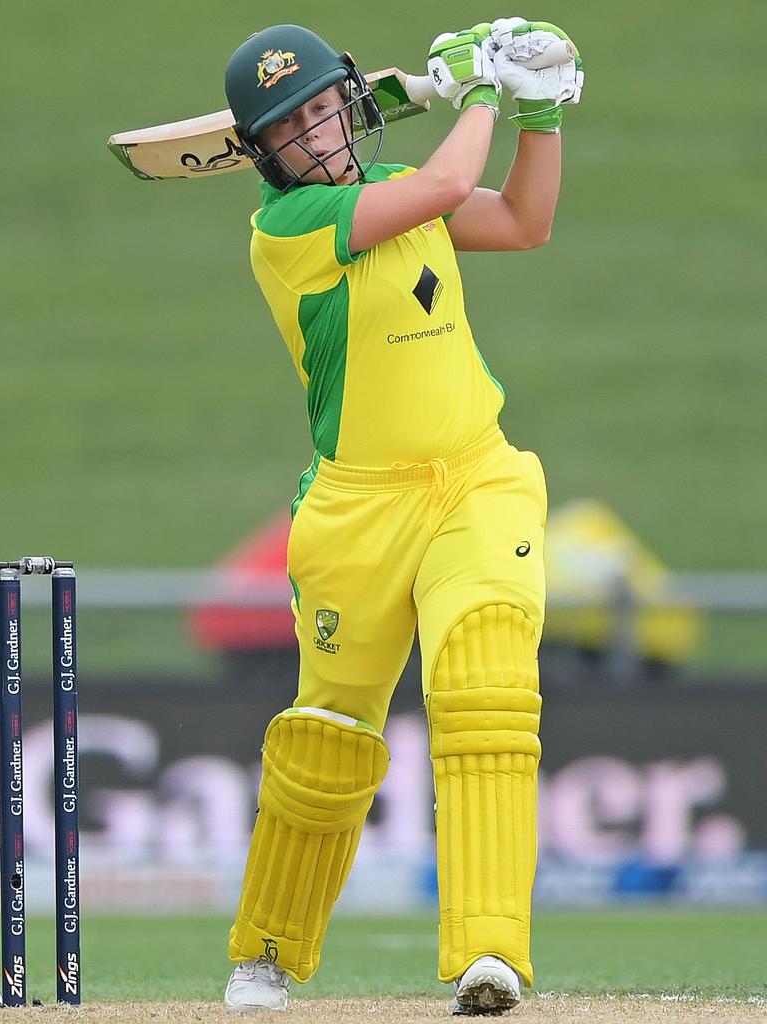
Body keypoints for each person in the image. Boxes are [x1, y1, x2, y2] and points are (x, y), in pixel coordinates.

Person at [222, 19, 583, 1015]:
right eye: (288, 125)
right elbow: (428, 192)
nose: (315, 131)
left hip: (477, 477)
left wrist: (540, 115)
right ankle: (267, 952)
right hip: (355, 509)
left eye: (322, 105)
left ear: (350, 99)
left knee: (487, 680)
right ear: (264, 153)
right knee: (330, 736)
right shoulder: (289, 230)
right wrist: (481, 93)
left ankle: (489, 953)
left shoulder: (395, 194)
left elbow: (522, 221)